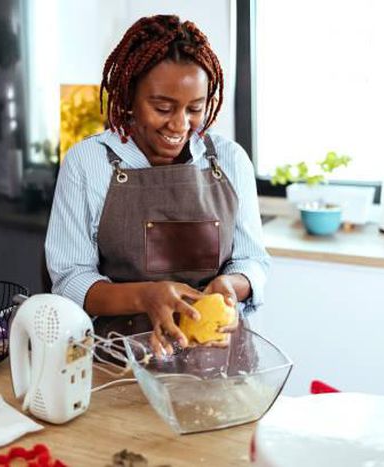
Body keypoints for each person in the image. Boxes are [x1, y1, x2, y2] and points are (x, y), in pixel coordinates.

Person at [45, 15, 269, 356]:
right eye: (163, 107)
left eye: (196, 108)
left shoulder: (229, 159)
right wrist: (144, 296)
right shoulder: (87, 164)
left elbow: (252, 261)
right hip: (122, 361)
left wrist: (231, 286)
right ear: (129, 97)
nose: (180, 125)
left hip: (219, 357)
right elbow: (70, 280)